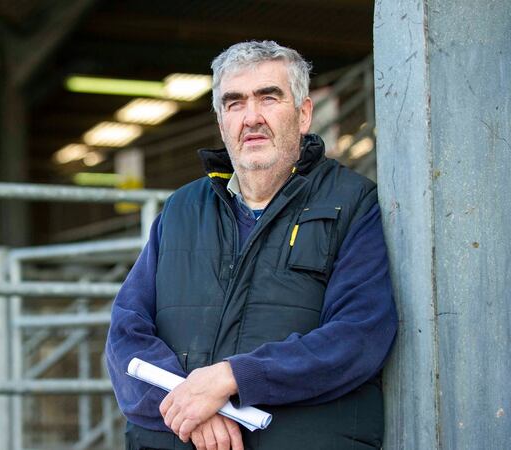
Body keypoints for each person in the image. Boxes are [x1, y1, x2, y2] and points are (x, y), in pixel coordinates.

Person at [105, 40, 398, 450]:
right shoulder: (180, 210)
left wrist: (232, 378)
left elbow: (358, 337)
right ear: (221, 121)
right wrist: (191, 408)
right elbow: (125, 335)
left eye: (268, 98)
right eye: (234, 103)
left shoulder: (352, 203)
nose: (251, 117)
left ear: (303, 114)